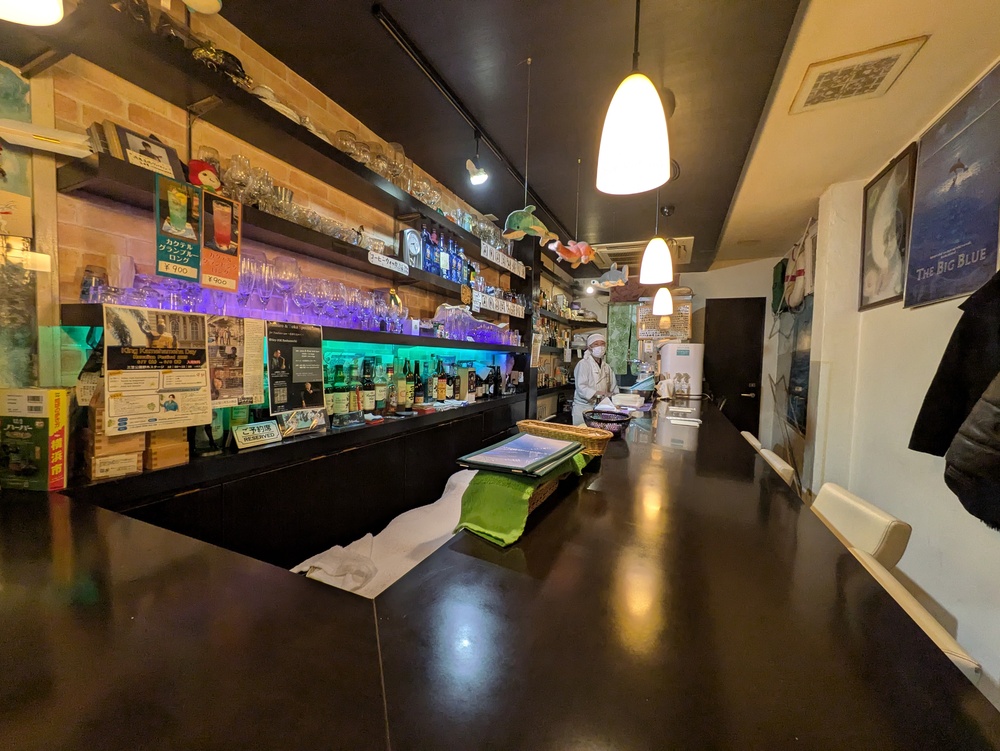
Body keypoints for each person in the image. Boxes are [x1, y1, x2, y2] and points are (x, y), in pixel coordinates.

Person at [572, 333, 619, 425]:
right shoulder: (583, 364)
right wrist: (598, 393)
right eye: (596, 344)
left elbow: (613, 387)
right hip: (584, 408)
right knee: (583, 431)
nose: (600, 347)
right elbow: (581, 388)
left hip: (601, 408)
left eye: (602, 344)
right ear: (589, 347)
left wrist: (616, 401)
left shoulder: (606, 367)